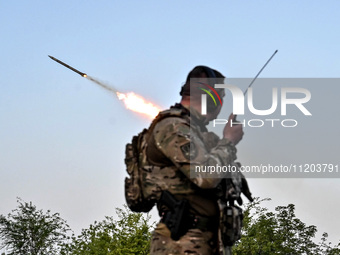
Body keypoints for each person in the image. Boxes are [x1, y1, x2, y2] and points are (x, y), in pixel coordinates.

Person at [139, 66, 252, 254]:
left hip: (206, 242)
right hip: (180, 245)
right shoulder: (173, 128)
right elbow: (205, 176)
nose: (222, 103)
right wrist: (228, 142)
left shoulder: (197, 135)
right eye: (221, 96)